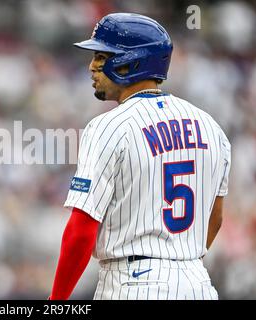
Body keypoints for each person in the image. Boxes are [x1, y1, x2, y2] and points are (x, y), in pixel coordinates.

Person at [49, 13, 231, 300]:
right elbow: (215, 218)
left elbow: (81, 230)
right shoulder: (211, 127)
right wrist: (179, 260)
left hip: (133, 282)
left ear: (131, 62)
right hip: (198, 283)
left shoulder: (108, 125)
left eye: (101, 57)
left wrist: (56, 301)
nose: (92, 67)